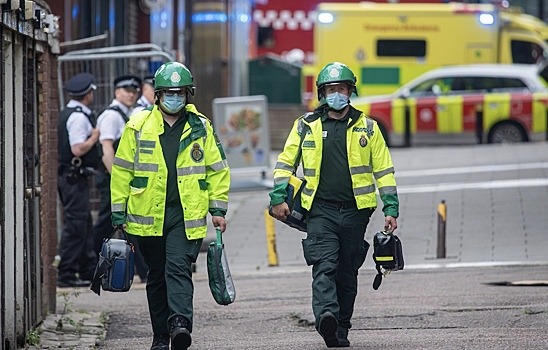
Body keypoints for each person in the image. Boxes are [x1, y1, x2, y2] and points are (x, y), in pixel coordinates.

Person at [269, 62, 399, 348]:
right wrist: (278, 197)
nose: (336, 94)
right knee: (324, 265)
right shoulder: (306, 126)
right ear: (322, 94)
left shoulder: (369, 128)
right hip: (320, 211)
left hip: (356, 212)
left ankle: (341, 327)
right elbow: (285, 163)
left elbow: (384, 171)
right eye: (330, 90)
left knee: (347, 272)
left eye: (340, 89)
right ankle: (326, 315)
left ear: (350, 91)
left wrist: (390, 207)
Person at [110, 62, 230, 350]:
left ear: (188, 94)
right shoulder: (138, 126)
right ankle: (160, 335)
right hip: (148, 215)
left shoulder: (201, 127)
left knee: (178, 267)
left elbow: (218, 169)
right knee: (157, 275)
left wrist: (218, 209)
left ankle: (179, 323)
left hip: (185, 214)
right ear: (158, 96)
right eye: (168, 93)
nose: (174, 98)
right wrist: (118, 211)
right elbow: (122, 170)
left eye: (179, 93)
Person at [57, 72, 101, 288]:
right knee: (76, 225)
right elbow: (77, 148)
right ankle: (66, 272)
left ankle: (86, 270)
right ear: (88, 94)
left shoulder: (71, 112)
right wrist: (94, 137)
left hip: (72, 178)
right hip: (73, 178)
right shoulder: (78, 117)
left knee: (84, 224)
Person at [93, 75, 141, 255]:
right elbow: (107, 150)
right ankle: (95, 259)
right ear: (116, 92)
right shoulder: (112, 116)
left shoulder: (129, 114)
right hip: (111, 178)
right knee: (107, 219)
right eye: (127, 91)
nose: (131, 95)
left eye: (134, 91)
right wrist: (117, 178)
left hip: (122, 178)